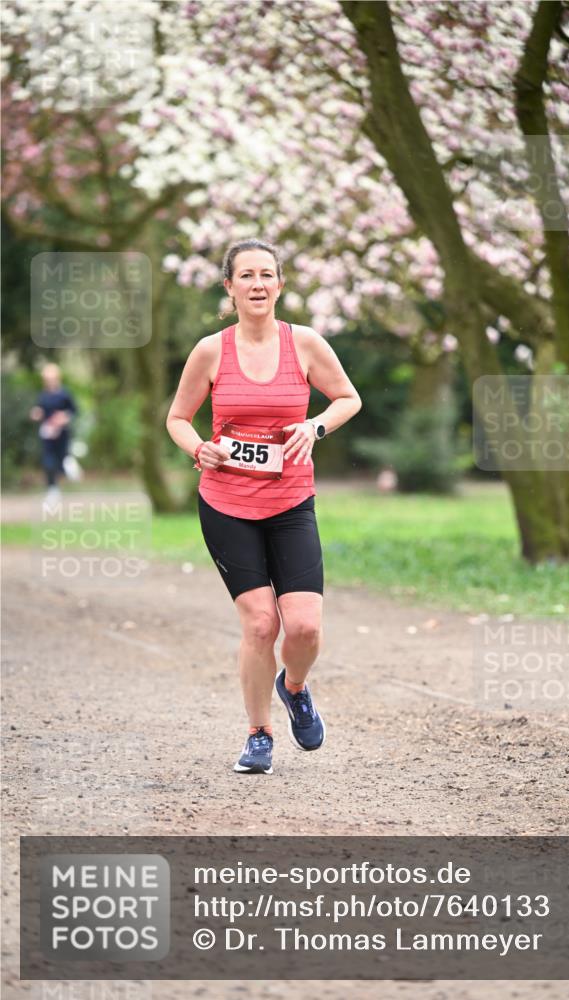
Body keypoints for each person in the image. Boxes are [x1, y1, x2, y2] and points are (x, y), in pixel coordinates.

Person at [166, 238, 362, 775]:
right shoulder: (210, 351)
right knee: (259, 624)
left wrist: (314, 426)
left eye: (266, 274)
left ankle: (293, 687)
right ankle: (259, 734)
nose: (257, 284)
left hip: (290, 502)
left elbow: (348, 398)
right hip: (227, 504)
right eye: (246, 275)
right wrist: (199, 448)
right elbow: (177, 418)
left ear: (280, 284)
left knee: (303, 628)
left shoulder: (306, 344)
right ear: (229, 287)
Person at [29, 363, 79, 508]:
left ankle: (68, 465)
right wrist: (36, 414)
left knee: (62, 458)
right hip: (47, 433)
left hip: (62, 433)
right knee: (48, 461)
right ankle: (52, 489)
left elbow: (74, 411)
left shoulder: (65, 394)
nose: (49, 381)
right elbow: (40, 410)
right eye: (47, 379)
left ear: (57, 378)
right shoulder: (43, 395)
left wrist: (64, 417)